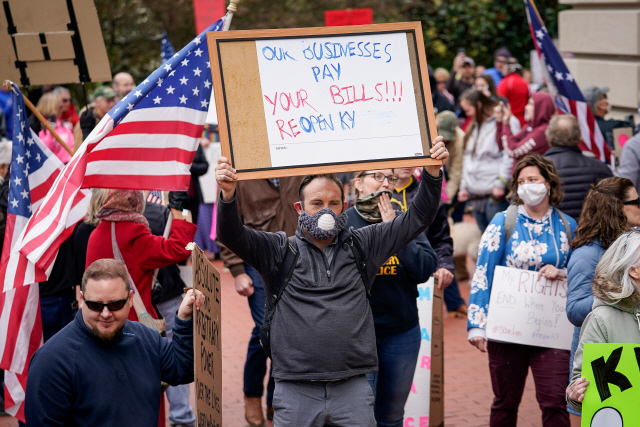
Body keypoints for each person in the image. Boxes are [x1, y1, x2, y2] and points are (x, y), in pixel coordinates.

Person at [215, 137, 449, 427]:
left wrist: (433, 172)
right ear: (300, 208)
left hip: (352, 386)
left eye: (333, 203)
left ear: (344, 207)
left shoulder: (364, 244)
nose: (325, 210)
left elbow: (418, 217)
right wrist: (227, 194)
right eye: (317, 203)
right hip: (295, 388)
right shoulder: (277, 250)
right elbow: (230, 234)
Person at [24, 258, 203, 426]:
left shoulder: (145, 338)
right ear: (81, 299)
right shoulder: (51, 361)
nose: (105, 314)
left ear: (130, 300)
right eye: (95, 305)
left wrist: (184, 319)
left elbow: (182, 370)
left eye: (115, 304)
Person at [467, 154, 577, 427]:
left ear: (549, 183)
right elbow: (483, 274)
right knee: (505, 401)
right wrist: (477, 325)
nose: (527, 186)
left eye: (533, 180)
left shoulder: (567, 227)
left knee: (554, 401)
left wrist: (562, 273)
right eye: (521, 181)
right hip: (508, 331)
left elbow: (579, 273)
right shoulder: (502, 222)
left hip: (552, 331)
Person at [345, 169, 437, 427]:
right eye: (378, 176)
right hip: (359, 336)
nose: (386, 183)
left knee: (392, 417)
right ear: (359, 183)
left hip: (401, 334)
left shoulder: (403, 219)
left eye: (391, 179)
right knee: (361, 417)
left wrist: (394, 231)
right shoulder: (344, 222)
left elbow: (424, 269)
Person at [217, 176, 302, 426]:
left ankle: (275, 399)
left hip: (297, 261)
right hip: (257, 264)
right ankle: (252, 394)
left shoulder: (297, 164)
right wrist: (237, 270)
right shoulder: (242, 175)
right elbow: (228, 225)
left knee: (288, 332)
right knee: (268, 328)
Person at [564, 177, 640, 422]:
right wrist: (613, 296)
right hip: (602, 352)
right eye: (636, 201)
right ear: (616, 208)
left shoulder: (631, 244)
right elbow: (575, 309)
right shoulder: (588, 254)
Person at [85, 190, 196, 322]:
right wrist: (177, 210)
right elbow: (179, 249)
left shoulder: (96, 234)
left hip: (100, 319)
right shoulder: (133, 232)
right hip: (131, 322)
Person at [143, 195, 197, 427]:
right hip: (163, 293)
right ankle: (182, 415)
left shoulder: (96, 219)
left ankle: (180, 415)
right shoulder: (157, 210)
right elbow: (183, 249)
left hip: (143, 297)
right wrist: (176, 210)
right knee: (175, 354)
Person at [391, 167, 467, 318]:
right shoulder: (374, 195)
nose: (407, 164)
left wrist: (444, 265)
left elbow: (441, 238)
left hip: (422, 273)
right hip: (389, 283)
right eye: (401, 157)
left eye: (411, 157)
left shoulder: (428, 195)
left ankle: (455, 304)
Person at [457, 89, 520, 232]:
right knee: (485, 238)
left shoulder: (505, 120)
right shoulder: (475, 124)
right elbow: (468, 157)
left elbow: (509, 153)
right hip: (475, 194)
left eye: (469, 109)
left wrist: (501, 182)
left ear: (479, 105)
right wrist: (464, 186)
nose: (467, 114)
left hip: (494, 193)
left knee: (500, 236)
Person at [544, 114, 612, 220]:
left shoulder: (538, 170)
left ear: (549, 135)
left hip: (552, 233)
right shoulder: (600, 169)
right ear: (578, 135)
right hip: (589, 233)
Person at [495, 92, 556, 173]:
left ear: (542, 108)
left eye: (531, 104)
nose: (526, 107)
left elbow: (513, 151)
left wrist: (506, 123)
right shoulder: (530, 126)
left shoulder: (542, 131)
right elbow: (502, 145)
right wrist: (499, 122)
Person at [29, 92, 73, 163]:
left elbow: (72, 145)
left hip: (68, 165)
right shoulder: (39, 127)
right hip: (54, 168)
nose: (62, 110)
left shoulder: (63, 125)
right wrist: (51, 136)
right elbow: (43, 150)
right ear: (51, 108)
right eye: (60, 107)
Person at [582, 85, 630, 150]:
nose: (607, 101)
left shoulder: (582, 127)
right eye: (605, 98)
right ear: (600, 104)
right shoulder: (616, 126)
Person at [436, 111, 463, 206]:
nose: (446, 139)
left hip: (450, 175)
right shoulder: (430, 131)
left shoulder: (460, 140)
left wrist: (445, 200)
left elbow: (456, 173)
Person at [497, 58, 530, 127]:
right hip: (524, 122)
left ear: (507, 68)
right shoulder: (525, 82)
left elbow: (498, 101)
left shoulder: (506, 83)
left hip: (511, 123)